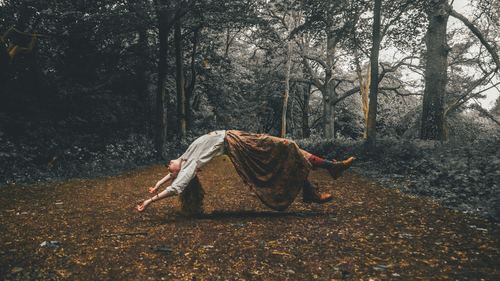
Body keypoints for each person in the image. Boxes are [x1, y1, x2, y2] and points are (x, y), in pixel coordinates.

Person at [137, 130, 354, 213]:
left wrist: (156, 184)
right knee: (287, 146)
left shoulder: (185, 156)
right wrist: (149, 201)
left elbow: (169, 177)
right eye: (171, 168)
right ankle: (328, 171)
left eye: (169, 167)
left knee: (291, 150)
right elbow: (176, 186)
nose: (169, 166)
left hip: (235, 137)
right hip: (237, 144)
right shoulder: (189, 166)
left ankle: (325, 174)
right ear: (181, 171)